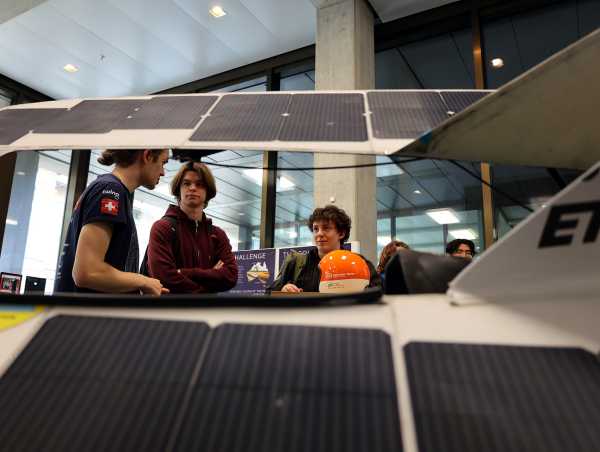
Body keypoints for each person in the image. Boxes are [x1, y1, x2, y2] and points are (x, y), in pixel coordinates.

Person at [54, 149, 170, 295]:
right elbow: (87, 272)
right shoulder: (110, 190)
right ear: (147, 156)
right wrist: (144, 281)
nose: (163, 172)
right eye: (163, 162)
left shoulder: (111, 189)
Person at [146, 161, 238, 293]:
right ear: (179, 189)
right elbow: (164, 277)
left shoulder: (217, 235)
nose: (192, 188)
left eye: (199, 184)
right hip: (169, 312)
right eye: (186, 183)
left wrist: (185, 273)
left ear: (208, 191)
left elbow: (231, 276)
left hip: (206, 313)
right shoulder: (163, 228)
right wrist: (211, 276)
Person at [269, 205, 380, 293]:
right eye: (315, 229)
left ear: (341, 233)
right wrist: (283, 289)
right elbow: (269, 292)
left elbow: (379, 291)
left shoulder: (359, 264)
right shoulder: (296, 263)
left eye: (326, 228)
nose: (319, 234)